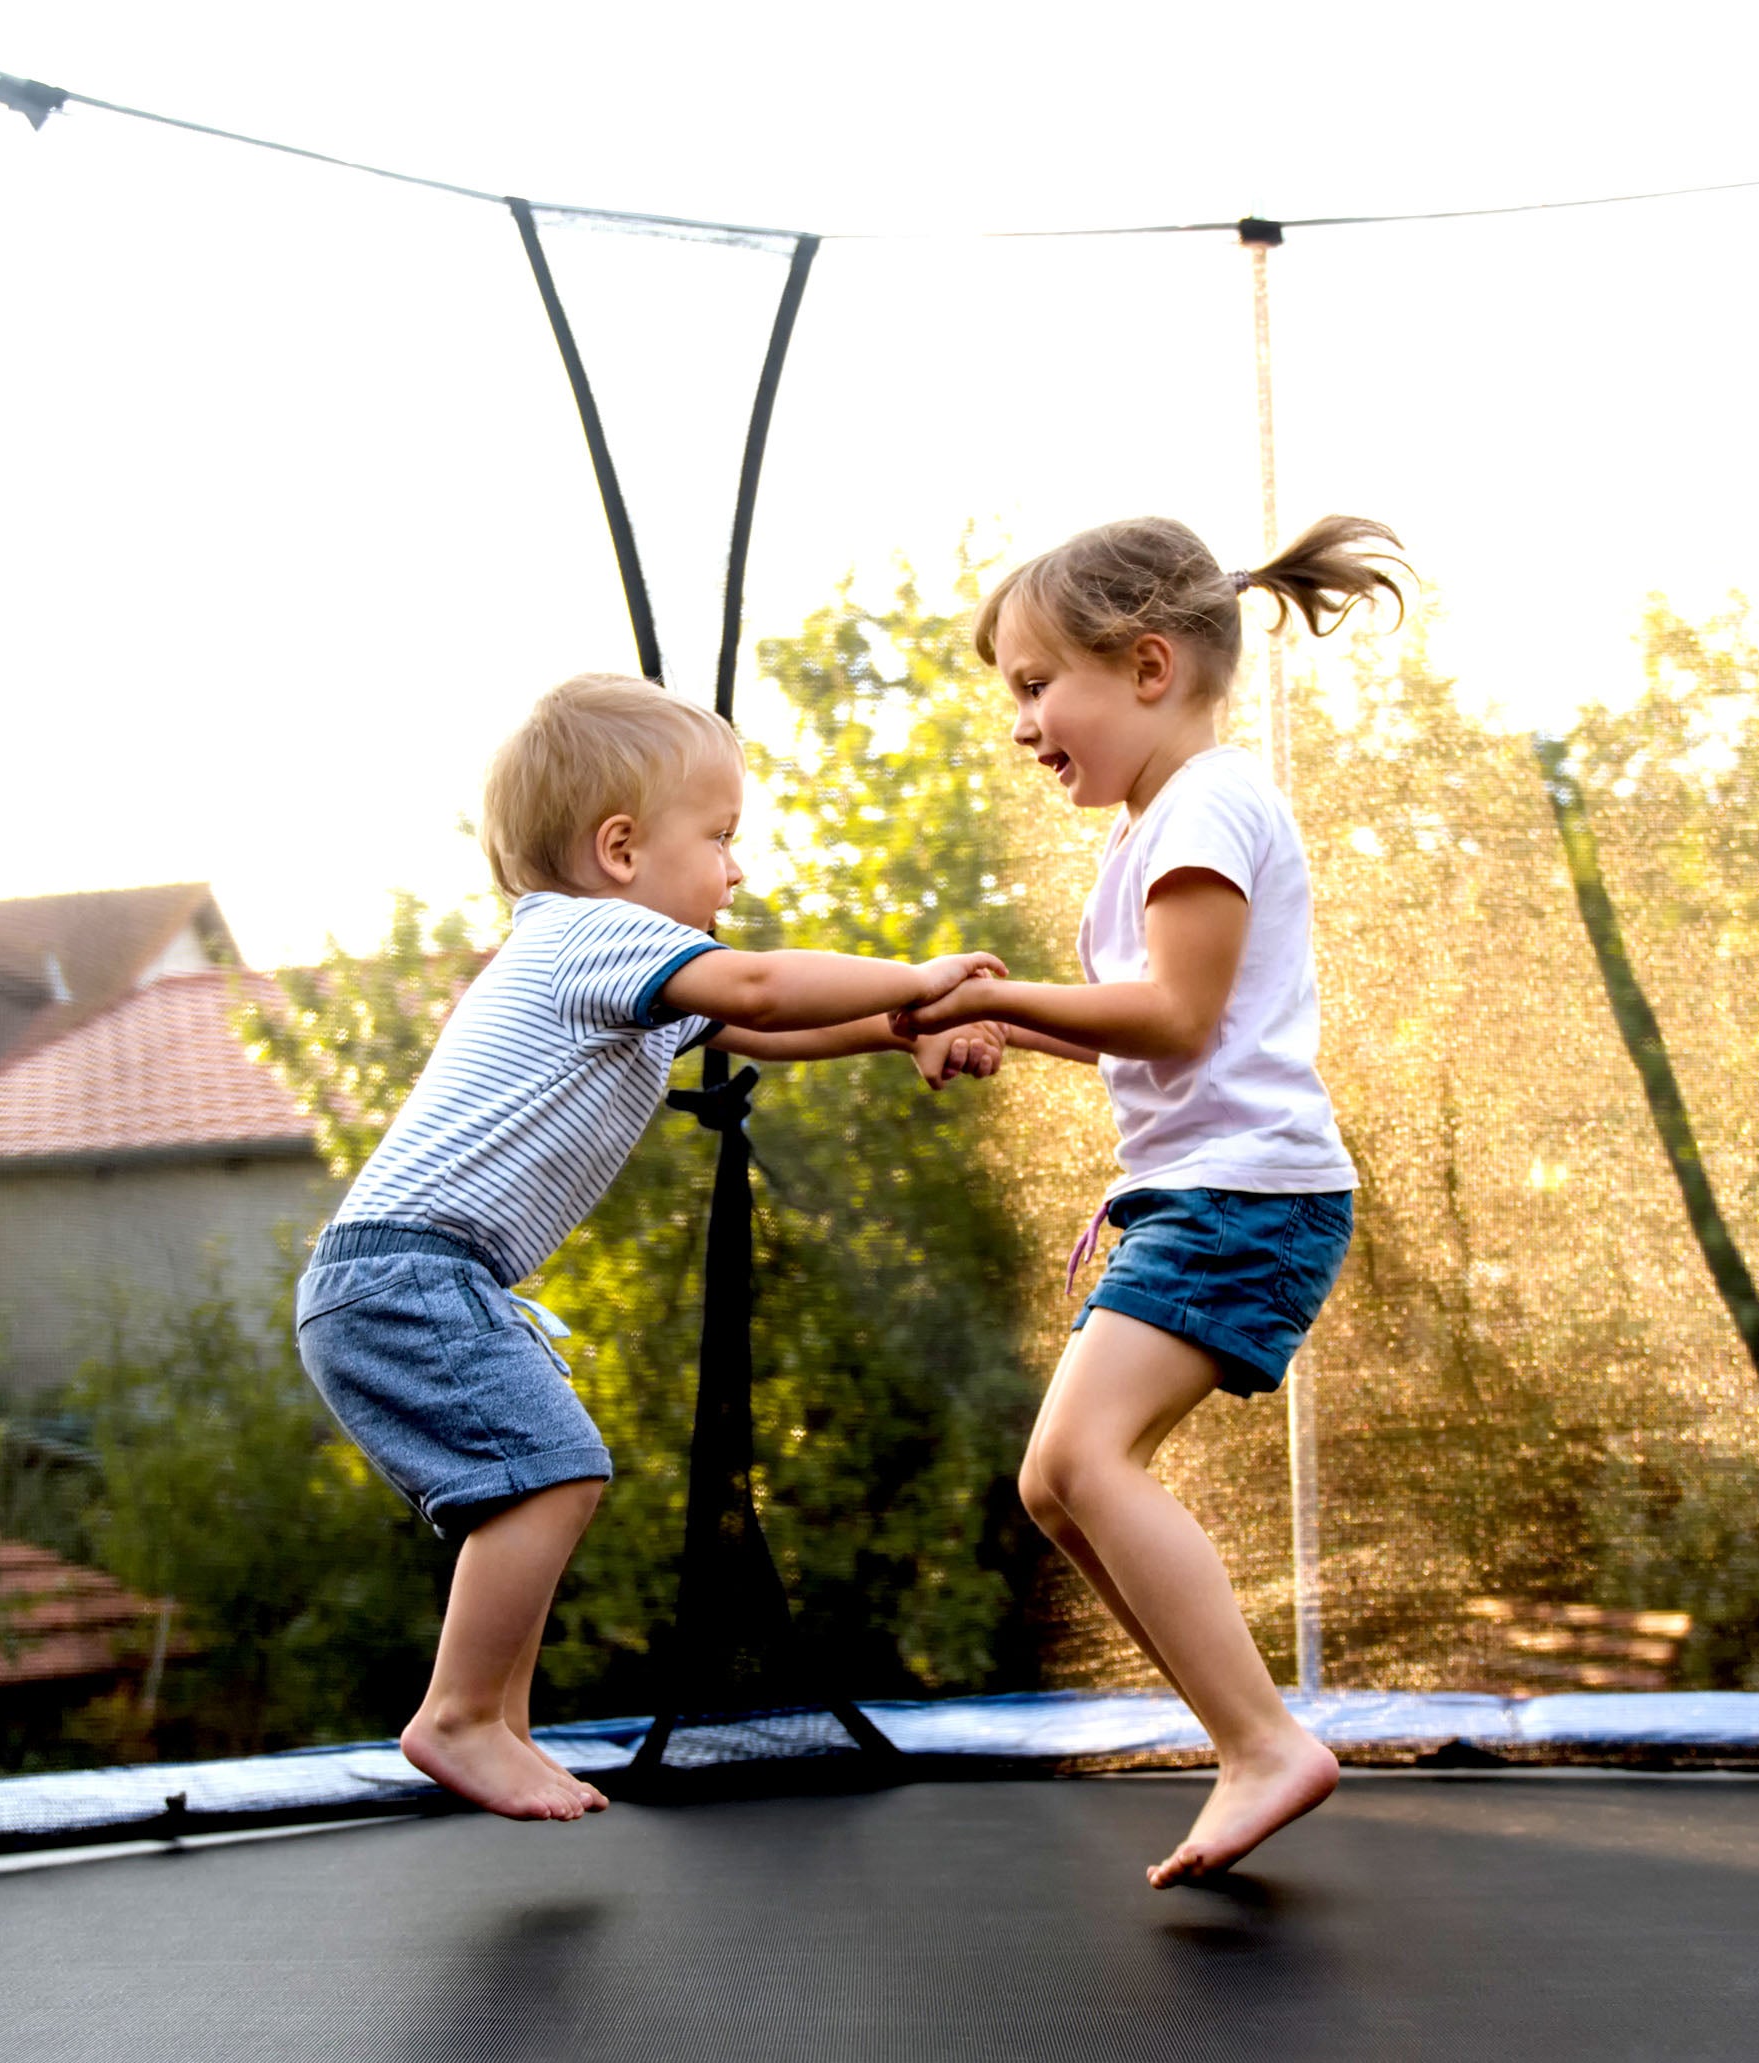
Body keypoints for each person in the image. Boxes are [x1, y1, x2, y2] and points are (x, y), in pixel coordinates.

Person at [295, 672, 1008, 1821]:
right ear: (620, 848)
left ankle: (496, 1718)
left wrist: (897, 1030)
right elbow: (767, 986)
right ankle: (462, 1713)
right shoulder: (589, 936)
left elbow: (769, 1020)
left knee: (536, 1479)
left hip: (415, 1274)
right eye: (721, 837)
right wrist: (922, 978)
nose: (739, 868)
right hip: (407, 1272)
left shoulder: (608, 960)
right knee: (555, 1471)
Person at [896, 513, 1406, 1886]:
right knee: (1060, 1479)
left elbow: (1174, 1014)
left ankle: (1261, 1740)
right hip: (1206, 1196)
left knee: (1084, 1462)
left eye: (1031, 682)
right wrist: (1008, 1024)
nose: (1020, 724)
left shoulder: (1211, 802)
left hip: (1249, 1199)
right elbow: (1151, 1024)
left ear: (1147, 664)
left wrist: (999, 996)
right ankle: (1249, 1736)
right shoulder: (1154, 826)